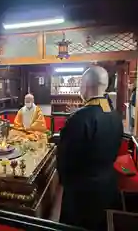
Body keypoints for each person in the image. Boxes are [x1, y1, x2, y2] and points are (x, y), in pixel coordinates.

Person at [57, 66, 123, 231]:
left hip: (82, 193)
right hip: (108, 186)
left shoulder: (79, 118)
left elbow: (65, 161)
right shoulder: (115, 115)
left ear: (85, 86)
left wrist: (65, 183)